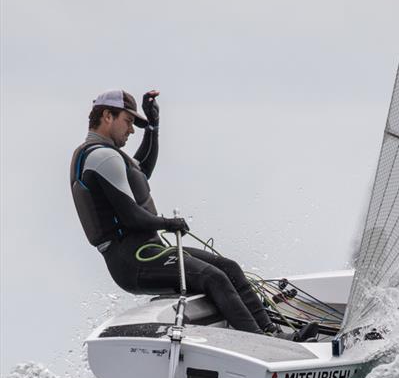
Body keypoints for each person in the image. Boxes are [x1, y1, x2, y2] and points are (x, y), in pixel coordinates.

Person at [69, 89, 304, 338]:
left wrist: (153, 128)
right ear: (107, 116)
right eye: (128, 121)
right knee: (213, 277)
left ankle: (273, 332)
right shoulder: (101, 157)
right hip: (132, 260)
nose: (131, 130)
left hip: (149, 252)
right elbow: (132, 218)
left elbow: (141, 171)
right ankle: (264, 341)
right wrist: (169, 223)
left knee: (229, 268)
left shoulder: (103, 155)